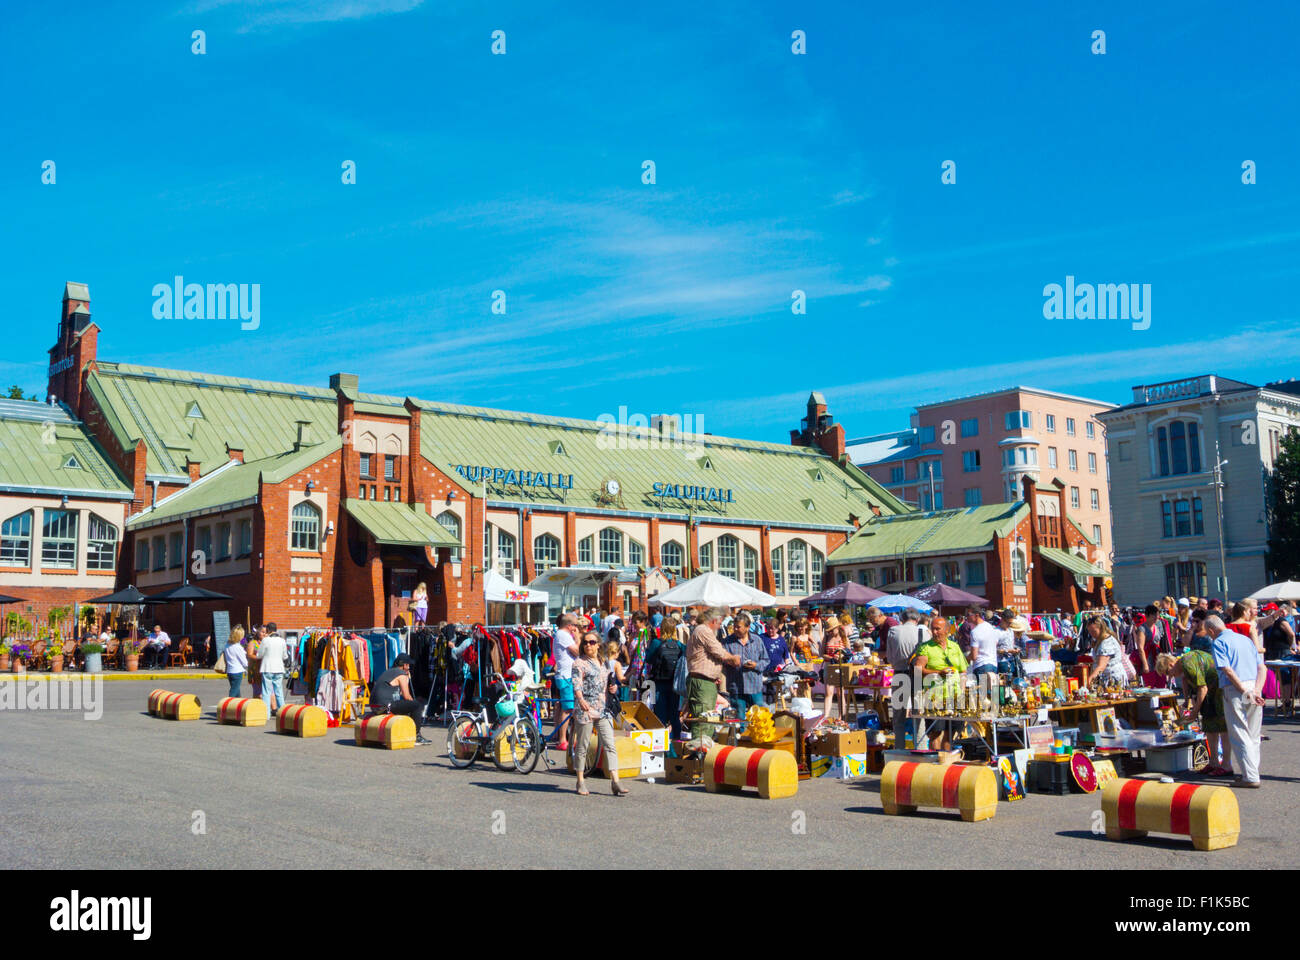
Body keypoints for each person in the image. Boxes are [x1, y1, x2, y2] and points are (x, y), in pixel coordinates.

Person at [1155, 650, 1230, 777]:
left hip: (1217, 689)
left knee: (1222, 727)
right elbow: (1185, 680)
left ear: (1171, 664)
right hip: (1210, 691)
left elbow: (1202, 688)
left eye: (1168, 673)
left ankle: (1227, 765)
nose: (1170, 677)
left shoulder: (1187, 662)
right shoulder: (1182, 663)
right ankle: (1214, 762)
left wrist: (1195, 712)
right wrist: (1186, 701)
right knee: (1209, 727)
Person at [1209, 614, 1263, 788]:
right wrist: (1256, 690)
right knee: (1253, 733)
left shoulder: (1218, 642)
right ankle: (1252, 772)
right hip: (1253, 684)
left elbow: (1227, 670)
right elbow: (1261, 666)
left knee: (1239, 732)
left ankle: (1251, 776)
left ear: (1212, 630)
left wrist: (1244, 690)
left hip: (1236, 688)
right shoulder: (1245, 639)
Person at [571, 632, 628, 796]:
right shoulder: (579, 663)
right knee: (583, 745)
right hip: (586, 708)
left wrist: (613, 688)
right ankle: (580, 780)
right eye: (585, 642)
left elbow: (609, 682)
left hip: (603, 708)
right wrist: (580, 699)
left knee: (610, 744)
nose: (588, 645)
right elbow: (576, 684)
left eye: (592, 642)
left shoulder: (604, 662)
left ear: (598, 645)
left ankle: (615, 781)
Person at [913, 615, 969, 750]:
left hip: (954, 696)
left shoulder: (954, 647)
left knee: (951, 733)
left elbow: (963, 671)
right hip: (934, 698)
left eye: (938, 629)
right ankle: (934, 763)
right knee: (935, 732)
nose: (935, 632)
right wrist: (938, 672)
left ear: (947, 630)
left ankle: (945, 762)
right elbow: (917, 670)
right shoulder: (925, 648)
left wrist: (961, 694)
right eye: (933, 629)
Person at [685, 606, 741, 738]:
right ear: (715, 620)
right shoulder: (703, 630)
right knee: (704, 721)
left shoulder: (700, 630)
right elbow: (718, 651)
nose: (719, 627)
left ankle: (702, 750)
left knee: (707, 720)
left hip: (705, 682)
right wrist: (733, 658)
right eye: (720, 623)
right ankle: (700, 754)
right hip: (702, 683)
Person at [886, 609, 930, 749]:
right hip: (918, 675)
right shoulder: (924, 633)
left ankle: (899, 748)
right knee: (918, 715)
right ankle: (921, 748)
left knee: (898, 716)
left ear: (902, 619)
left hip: (899, 673)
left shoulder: (893, 631)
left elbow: (890, 657)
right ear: (917, 620)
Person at [371, 653, 430, 744]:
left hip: (374, 706)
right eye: (409, 665)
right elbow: (407, 696)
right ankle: (416, 735)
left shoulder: (389, 672)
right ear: (405, 665)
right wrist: (407, 679)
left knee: (407, 705)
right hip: (386, 706)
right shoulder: (401, 674)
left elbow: (401, 694)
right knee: (417, 705)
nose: (409, 668)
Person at [645, 617, 685, 739]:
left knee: (660, 715)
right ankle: (676, 743)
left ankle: (660, 743)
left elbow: (648, 659)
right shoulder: (680, 645)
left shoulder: (657, 643)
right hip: (675, 684)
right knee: (674, 715)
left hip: (660, 682)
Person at [723, 612, 769, 716]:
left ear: (747, 627)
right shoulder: (727, 642)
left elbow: (766, 660)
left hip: (754, 685)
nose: (735, 629)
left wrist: (756, 665)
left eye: (738, 627)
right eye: (734, 626)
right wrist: (730, 661)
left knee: (758, 717)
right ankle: (741, 732)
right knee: (739, 718)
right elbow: (722, 660)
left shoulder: (757, 640)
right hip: (736, 686)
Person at [550, 614, 580, 750]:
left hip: (567, 675)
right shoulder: (563, 635)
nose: (576, 628)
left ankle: (565, 738)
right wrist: (578, 637)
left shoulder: (562, 635)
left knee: (566, 708)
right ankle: (562, 740)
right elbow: (578, 651)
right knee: (567, 709)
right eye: (575, 625)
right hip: (566, 676)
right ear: (570, 626)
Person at [1084, 616, 1128, 689]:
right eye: (1090, 631)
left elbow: (1101, 666)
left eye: (1093, 631)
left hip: (1113, 680)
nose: (1091, 634)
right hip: (1107, 678)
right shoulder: (1099, 640)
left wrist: (1089, 680)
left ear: (1101, 629)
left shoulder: (1106, 643)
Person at [258, 624, 287, 713]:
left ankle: (266, 714)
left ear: (268, 630)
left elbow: (260, 655)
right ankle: (283, 712)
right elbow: (285, 656)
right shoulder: (282, 641)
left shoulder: (265, 640)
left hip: (267, 667)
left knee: (266, 692)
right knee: (279, 691)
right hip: (279, 668)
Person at [965, 606, 999, 680]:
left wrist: (966, 658)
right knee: (994, 691)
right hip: (993, 665)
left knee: (982, 691)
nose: (966, 617)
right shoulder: (991, 627)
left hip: (981, 667)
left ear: (976, 615)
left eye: (968, 614)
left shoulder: (975, 632)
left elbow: (974, 656)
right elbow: (996, 643)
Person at [223, 626, 248, 697]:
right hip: (237, 671)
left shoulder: (227, 645)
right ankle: (227, 704)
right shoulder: (238, 647)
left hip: (230, 670)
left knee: (236, 690)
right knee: (234, 690)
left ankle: (238, 705)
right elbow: (245, 662)